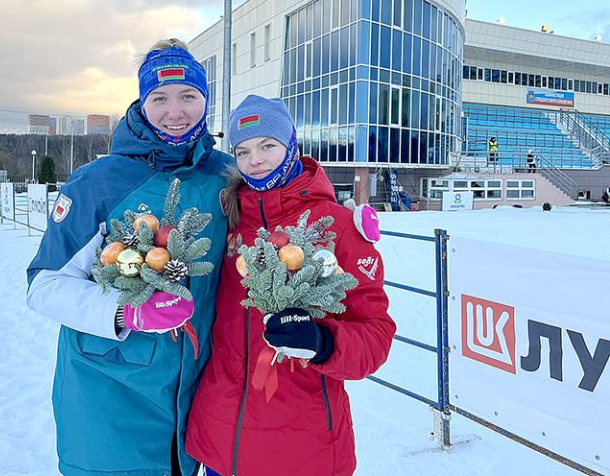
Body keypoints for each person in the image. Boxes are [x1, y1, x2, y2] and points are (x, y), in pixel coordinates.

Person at [26, 39, 233, 476]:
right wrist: (126, 315)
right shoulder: (99, 181)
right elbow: (44, 287)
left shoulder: (226, 176)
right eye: (160, 98)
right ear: (141, 102)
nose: (175, 111)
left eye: (188, 96)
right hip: (108, 399)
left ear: (205, 100)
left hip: (193, 398)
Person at [185, 95, 396, 476]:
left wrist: (323, 342)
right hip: (222, 441)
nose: (256, 160)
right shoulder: (226, 221)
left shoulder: (338, 225)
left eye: (268, 145)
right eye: (244, 150)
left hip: (302, 447)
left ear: (292, 145)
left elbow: (375, 335)